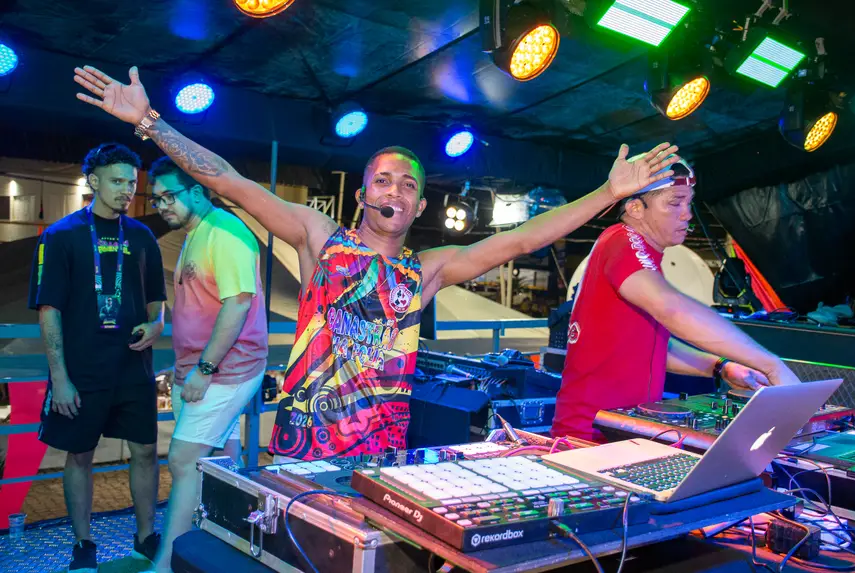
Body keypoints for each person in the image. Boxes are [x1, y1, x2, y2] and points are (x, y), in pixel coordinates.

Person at [73, 64, 680, 463]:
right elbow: (229, 181)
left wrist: (607, 194)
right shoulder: (321, 238)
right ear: (364, 194)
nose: (395, 191)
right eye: (383, 181)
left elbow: (521, 241)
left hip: (383, 454)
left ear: (419, 205)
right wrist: (149, 123)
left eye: (408, 185)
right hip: (306, 449)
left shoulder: (427, 270)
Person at [551, 157, 802, 442]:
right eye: (674, 203)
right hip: (589, 436)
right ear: (635, 208)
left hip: (622, 430)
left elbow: (655, 348)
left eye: (688, 203)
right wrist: (771, 365)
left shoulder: (638, 253)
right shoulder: (622, 241)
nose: (687, 214)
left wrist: (721, 366)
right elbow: (672, 308)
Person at [28, 143, 166, 572]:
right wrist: (59, 377)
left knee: (146, 452)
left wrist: (157, 324)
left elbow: (157, 301)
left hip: (134, 368)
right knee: (80, 455)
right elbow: (49, 310)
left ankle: (146, 538)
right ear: (94, 181)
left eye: (132, 182)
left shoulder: (142, 236)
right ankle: (83, 544)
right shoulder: (61, 235)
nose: (127, 190)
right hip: (83, 370)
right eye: (117, 181)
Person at [146, 157, 268, 572]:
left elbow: (238, 304)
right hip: (200, 370)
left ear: (197, 191)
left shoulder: (226, 232)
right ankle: (225, 551)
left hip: (225, 371)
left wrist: (205, 369)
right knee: (222, 465)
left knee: (184, 461)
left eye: (170, 196)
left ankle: (164, 565)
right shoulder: (196, 234)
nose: (162, 205)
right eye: (157, 198)